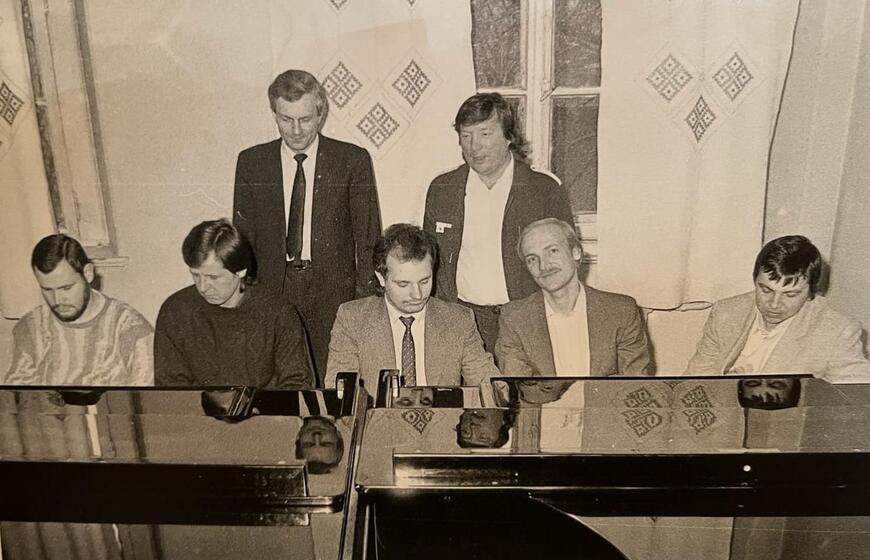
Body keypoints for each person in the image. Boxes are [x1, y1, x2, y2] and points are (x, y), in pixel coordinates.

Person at [233, 69, 382, 383]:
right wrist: (247, 299)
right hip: (273, 291)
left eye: (305, 119)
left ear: (321, 113)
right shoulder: (252, 162)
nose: (296, 130)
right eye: (286, 119)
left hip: (334, 293)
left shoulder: (351, 160)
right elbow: (243, 239)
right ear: (274, 114)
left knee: (333, 382)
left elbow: (368, 237)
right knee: (278, 381)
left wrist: (363, 302)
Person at [423, 92, 573, 351]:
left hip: (526, 321)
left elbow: (565, 265)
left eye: (485, 134)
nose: (474, 147)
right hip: (462, 321)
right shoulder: (443, 189)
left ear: (508, 136)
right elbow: (428, 262)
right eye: (466, 136)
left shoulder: (543, 189)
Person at [325, 223, 499, 392]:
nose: (417, 294)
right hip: (378, 413)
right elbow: (340, 392)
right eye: (403, 284)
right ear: (381, 278)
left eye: (424, 281)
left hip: (442, 413)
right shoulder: (352, 319)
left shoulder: (459, 320)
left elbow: (489, 383)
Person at [686, 235, 870, 383]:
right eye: (766, 290)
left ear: (811, 292)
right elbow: (696, 378)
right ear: (755, 280)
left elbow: (856, 392)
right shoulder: (726, 312)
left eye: (790, 294)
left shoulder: (837, 330)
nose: (774, 304)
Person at [154, 219, 314, 389]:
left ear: (241, 271)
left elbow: (297, 385)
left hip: (267, 407)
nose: (203, 287)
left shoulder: (279, 313)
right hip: (197, 407)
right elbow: (171, 391)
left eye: (213, 277)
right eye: (195, 275)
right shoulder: (175, 312)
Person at [495, 218, 652, 377]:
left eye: (552, 251)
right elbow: (520, 386)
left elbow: (634, 384)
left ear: (576, 252)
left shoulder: (621, 311)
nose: (543, 266)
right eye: (532, 259)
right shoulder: (514, 318)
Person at [4, 234, 153, 385]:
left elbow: (145, 393)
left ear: (88, 274)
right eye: (47, 290)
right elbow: (19, 394)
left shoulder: (129, 327)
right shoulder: (30, 328)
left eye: (66, 288)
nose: (57, 300)